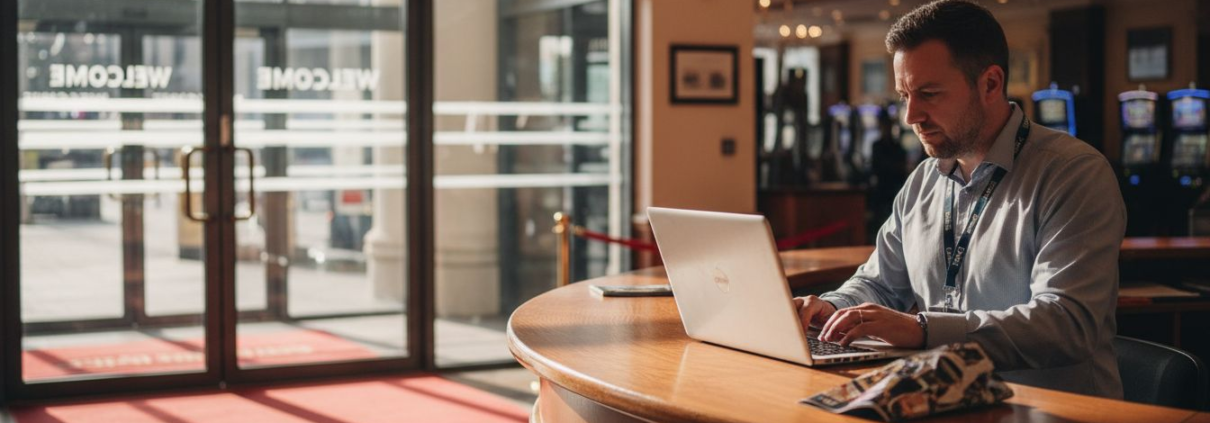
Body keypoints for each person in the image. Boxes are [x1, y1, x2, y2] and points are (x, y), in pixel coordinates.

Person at [792, 0, 1125, 399]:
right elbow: (879, 284)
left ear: (990, 84)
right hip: (945, 404)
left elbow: (1066, 324)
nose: (910, 116)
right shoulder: (922, 181)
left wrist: (922, 330)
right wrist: (832, 311)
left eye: (929, 94)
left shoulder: (1074, 174)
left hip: (1051, 411)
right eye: (904, 96)